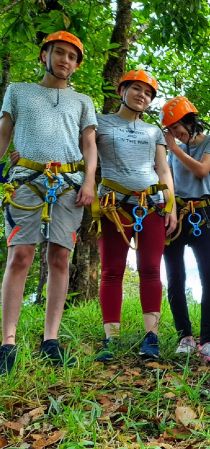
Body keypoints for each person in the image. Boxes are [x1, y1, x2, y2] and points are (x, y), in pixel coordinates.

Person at [0, 31, 97, 376]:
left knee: (59, 258)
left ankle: (50, 341)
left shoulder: (83, 101)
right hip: (26, 181)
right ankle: (7, 344)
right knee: (20, 256)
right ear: (45, 55)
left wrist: (89, 181)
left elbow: (89, 145)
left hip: (68, 185)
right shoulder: (19, 92)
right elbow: (3, 134)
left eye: (72, 56)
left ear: (76, 65)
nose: (65, 60)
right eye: (59, 53)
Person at [93, 69, 177, 362]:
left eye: (149, 93)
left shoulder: (153, 130)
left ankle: (151, 337)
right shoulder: (100, 123)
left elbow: (163, 169)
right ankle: (110, 339)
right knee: (112, 270)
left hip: (150, 205)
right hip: (113, 205)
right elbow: (83, 156)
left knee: (151, 270)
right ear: (122, 90)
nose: (143, 96)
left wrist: (171, 206)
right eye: (138, 89)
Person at [162, 96, 210, 364]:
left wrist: (174, 148)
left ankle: (208, 340)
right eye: (172, 132)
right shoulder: (173, 148)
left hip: (202, 214)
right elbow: (168, 178)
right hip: (176, 213)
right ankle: (185, 337)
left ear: (190, 123)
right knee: (175, 276)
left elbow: (202, 170)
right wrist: (169, 211)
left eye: (178, 129)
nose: (176, 135)